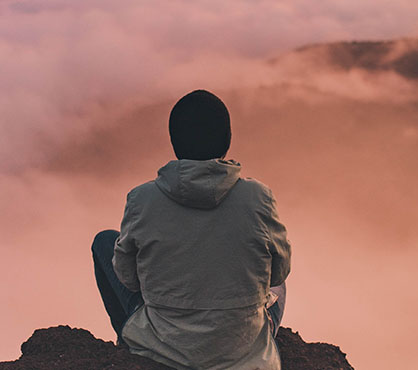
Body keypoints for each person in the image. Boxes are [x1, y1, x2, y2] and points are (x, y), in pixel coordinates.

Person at [91, 89, 291, 369]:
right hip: (240, 350)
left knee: (104, 241)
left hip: (165, 345)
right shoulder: (259, 198)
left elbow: (127, 278)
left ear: (175, 143)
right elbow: (278, 273)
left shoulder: (141, 199)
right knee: (279, 282)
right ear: (227, 141)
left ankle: (129, 345)